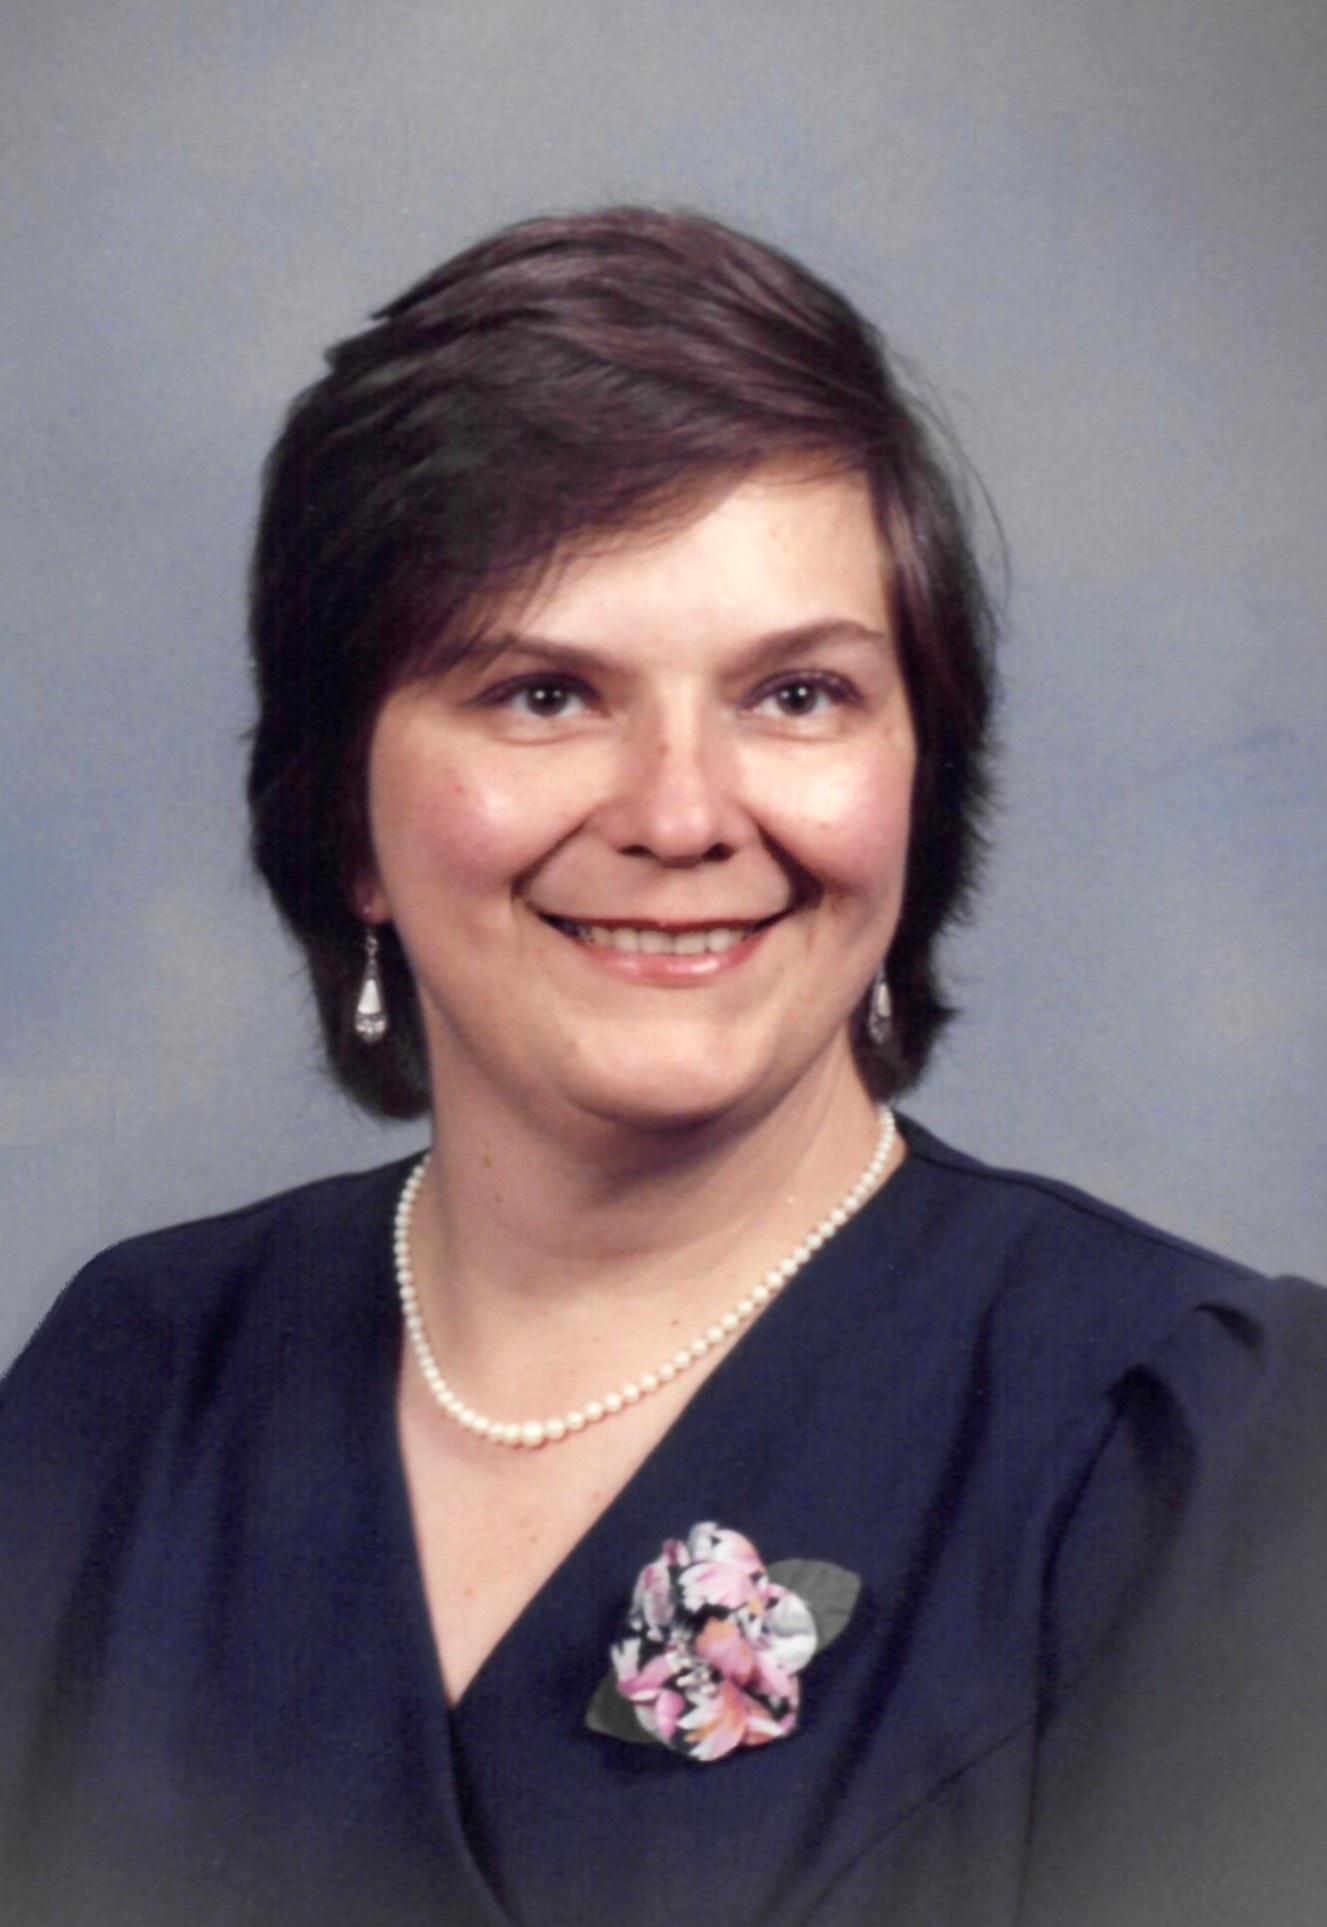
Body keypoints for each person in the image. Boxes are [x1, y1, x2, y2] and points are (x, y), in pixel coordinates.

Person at [1, 207, 1324, 1927]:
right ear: (348, 820)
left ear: (916, 783)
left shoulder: (1201, 1460)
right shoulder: (128, 1399)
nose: (684, 815)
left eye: (798, 696)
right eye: (545, 694)